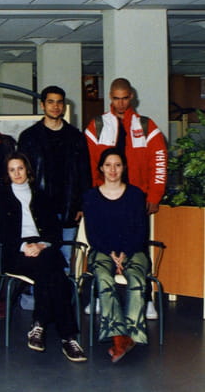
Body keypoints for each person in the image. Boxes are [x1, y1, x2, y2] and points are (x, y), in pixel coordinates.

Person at [0, 153, 86, 362]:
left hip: (43, 247)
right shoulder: (0, 197)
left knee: (50, 272)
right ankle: (68, 337)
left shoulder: (41, 196)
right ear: (7, 173)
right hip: (16, 252)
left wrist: (41, 245)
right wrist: (24, 246)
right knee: (56, 275)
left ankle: (39, 325)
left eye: (20, 168)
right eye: (12, 170)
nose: (17, 173)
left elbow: (55, 232)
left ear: (28, 170)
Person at [84, 77, 167, 319]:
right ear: (110, 98)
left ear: (131, 97)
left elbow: (159, 162)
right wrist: (93, 195)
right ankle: (97, 297)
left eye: (125, 98)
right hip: (105, 196)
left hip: (135, 198)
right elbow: (88, 163)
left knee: (139, 247)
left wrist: (154, 194)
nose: (120, 103)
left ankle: (146, 300)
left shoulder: (147, 126)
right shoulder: (97, 125)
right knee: (100, 246)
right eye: (116, 98)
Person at [83, 148, 149, 363]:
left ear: (124, 168)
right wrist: (112, 253)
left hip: (133, 250)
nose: (113, 170)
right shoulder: (91, 196)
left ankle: (132, 334)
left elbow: (141, 231)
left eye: (117, 165)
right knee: (104, 278)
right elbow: (93, 233)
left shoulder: (136, 195)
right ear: (101, 168)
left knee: (137, 278)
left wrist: (124, 253)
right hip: (102, 250)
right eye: (108, 165)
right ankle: (119, 336)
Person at [18, 86, 91, 267]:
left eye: (59, 102)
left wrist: (82, 204)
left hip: (68, 207)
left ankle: (64, 287)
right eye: (50, 102)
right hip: (39, 209)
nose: (55, 106)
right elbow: (21, 175)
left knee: (65, 258)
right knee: (40, 259)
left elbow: (84, 173)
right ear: (42, 105)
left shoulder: (76, 137)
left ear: (64, 106)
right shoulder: (29, 137)